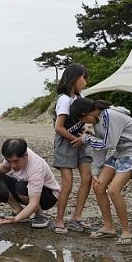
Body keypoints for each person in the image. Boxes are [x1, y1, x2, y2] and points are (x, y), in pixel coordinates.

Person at [70, 98, 132, 245]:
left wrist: (85, 138)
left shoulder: (110, 115)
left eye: (83, 119)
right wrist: (95, 171)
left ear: (86, 114)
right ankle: (108, 227)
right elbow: (101, 149)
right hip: (120, 152)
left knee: (113, 190)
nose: (85, 122)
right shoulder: (97, 120)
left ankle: (126, 231)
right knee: (98, 187)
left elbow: (109, 143)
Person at [51, 63, 92, 234]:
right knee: (67, 183)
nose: (85, 82)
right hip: (66, 143)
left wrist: (84, 133)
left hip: (79, 141)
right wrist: (76, 138)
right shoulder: (64, 99)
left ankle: (77, 216)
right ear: (74, 78)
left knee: (87, 177)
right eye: (84, 78)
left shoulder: (80, 97)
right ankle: (59, 220)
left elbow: (81, 122)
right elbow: (59, 127)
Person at [0, 139, 61, 228]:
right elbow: (5, 168)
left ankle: (40, 215)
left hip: (48, 196)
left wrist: (16, 219)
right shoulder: (14, 154)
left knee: (21, 188)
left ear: (25, 155)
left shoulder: (36, 168)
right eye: (9, 161)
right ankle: (18, 210)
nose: (13, 165)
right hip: (25, 187)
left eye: (16, 161)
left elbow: (34, 202)